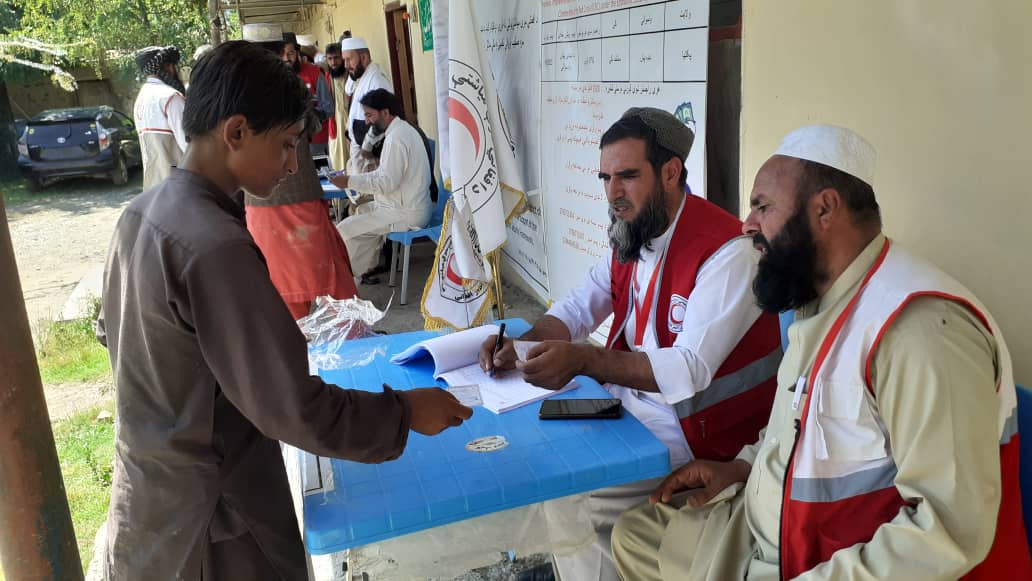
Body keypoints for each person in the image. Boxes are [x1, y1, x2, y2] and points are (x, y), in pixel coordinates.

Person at [95, 40, 472, 580]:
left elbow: (121, 337)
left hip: (152, 494)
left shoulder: (142, 213)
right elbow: (293, 407)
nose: (294, 163)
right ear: (237, 132)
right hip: (215, 516)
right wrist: (405, 412)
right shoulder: (214, 245)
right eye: (288, 144)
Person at [611, 124, 1032, 580]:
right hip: (765, 530)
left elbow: (949, 531)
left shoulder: (921, 332)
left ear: (824, 210)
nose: (748, 225)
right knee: (635, 536)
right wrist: (740, 466)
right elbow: (804, 429)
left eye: (762, 207)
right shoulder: (820, 300)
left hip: (824, 562)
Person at [479, 107, 782, 580]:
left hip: (699, 432)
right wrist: (521, 348)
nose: (612, 194)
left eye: (626, 176)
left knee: (580, 494)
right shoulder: (634, 232)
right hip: (631, 408)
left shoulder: (729, 251)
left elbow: (688, 370)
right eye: (605, 178)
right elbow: (579, 307)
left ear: (670, 172)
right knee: (552, 471)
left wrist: (585, 360)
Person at [244, 26, 357, 319]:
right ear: (280, 51)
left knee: (281, 285)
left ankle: (294, 350)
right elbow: (311, 125)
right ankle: (351, 344)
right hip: (298, 194)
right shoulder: (288, 86)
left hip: (259, 201)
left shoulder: (237, 92)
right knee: (332, 280)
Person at [330, 89, 432, 285]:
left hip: (407, 213)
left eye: (369, 115)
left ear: (385, 112)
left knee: (343, 228)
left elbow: (386, 182)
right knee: (361, 211)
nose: (367, 121)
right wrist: (352, 180)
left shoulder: (397, 138)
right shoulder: (399, 131)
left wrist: (350, 182)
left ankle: (348, 284)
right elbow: (384, 175)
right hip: (403, 206)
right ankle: (360, 272)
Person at [132, 45, 187, 189]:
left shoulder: (140, 99)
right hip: (178, 189)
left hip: (153, 188)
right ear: (169, 67)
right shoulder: (170, 97)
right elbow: (189, 146)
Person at [338, 36, 393, 173]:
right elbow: (348, 87)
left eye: (349, 59)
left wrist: (367, 148)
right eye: (344, 60)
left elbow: (383, 120)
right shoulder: (362, 75)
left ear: (364, 58)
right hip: (360, 150)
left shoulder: (377, 80)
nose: (346, 65)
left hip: (370, 155)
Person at [281, 33, 333, 157]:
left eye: (290, 53)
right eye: (281, 54)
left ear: (298, 52)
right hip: (286, 146)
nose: (286, 58)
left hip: (316, 142)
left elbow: (328, 108)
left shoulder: (314, 73)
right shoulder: (273, 78)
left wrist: (308, 119)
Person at [324, 41, 350, 171]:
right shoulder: (326, 78)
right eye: (330, 59)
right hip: (335, 125)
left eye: (336, 58)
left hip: (350, 122)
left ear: (342, 57)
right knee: (338, 160)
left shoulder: (351, 75)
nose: (333, 62)